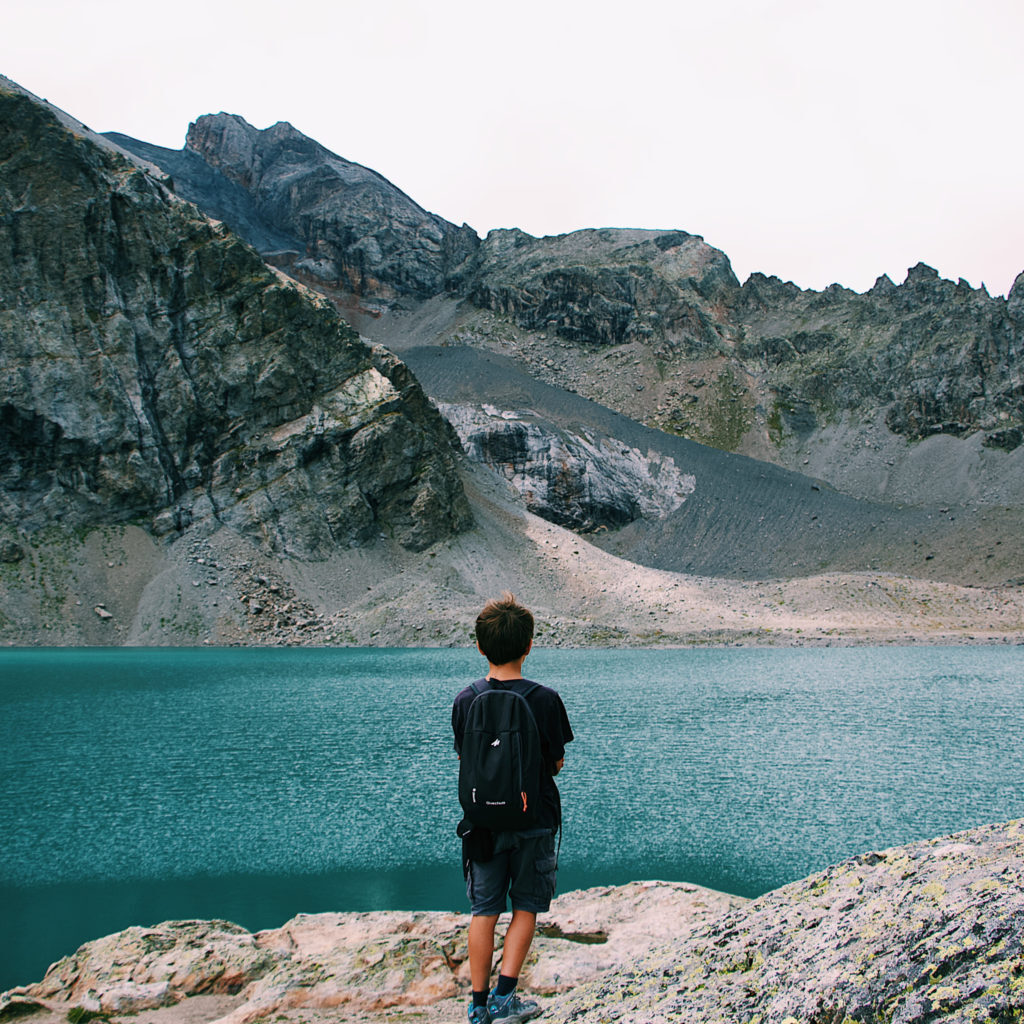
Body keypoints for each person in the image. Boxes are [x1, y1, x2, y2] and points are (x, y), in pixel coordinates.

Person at [451, 593, 574, 1024]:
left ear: (480, 647)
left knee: (483, 912)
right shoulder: (545, 698)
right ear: (529, 646)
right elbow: (556, 762)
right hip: (534, 821)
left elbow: (467, 761)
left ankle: (478, 1005)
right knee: (525, 906)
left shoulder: (466, 699)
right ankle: (507, 998)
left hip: (482, 826)